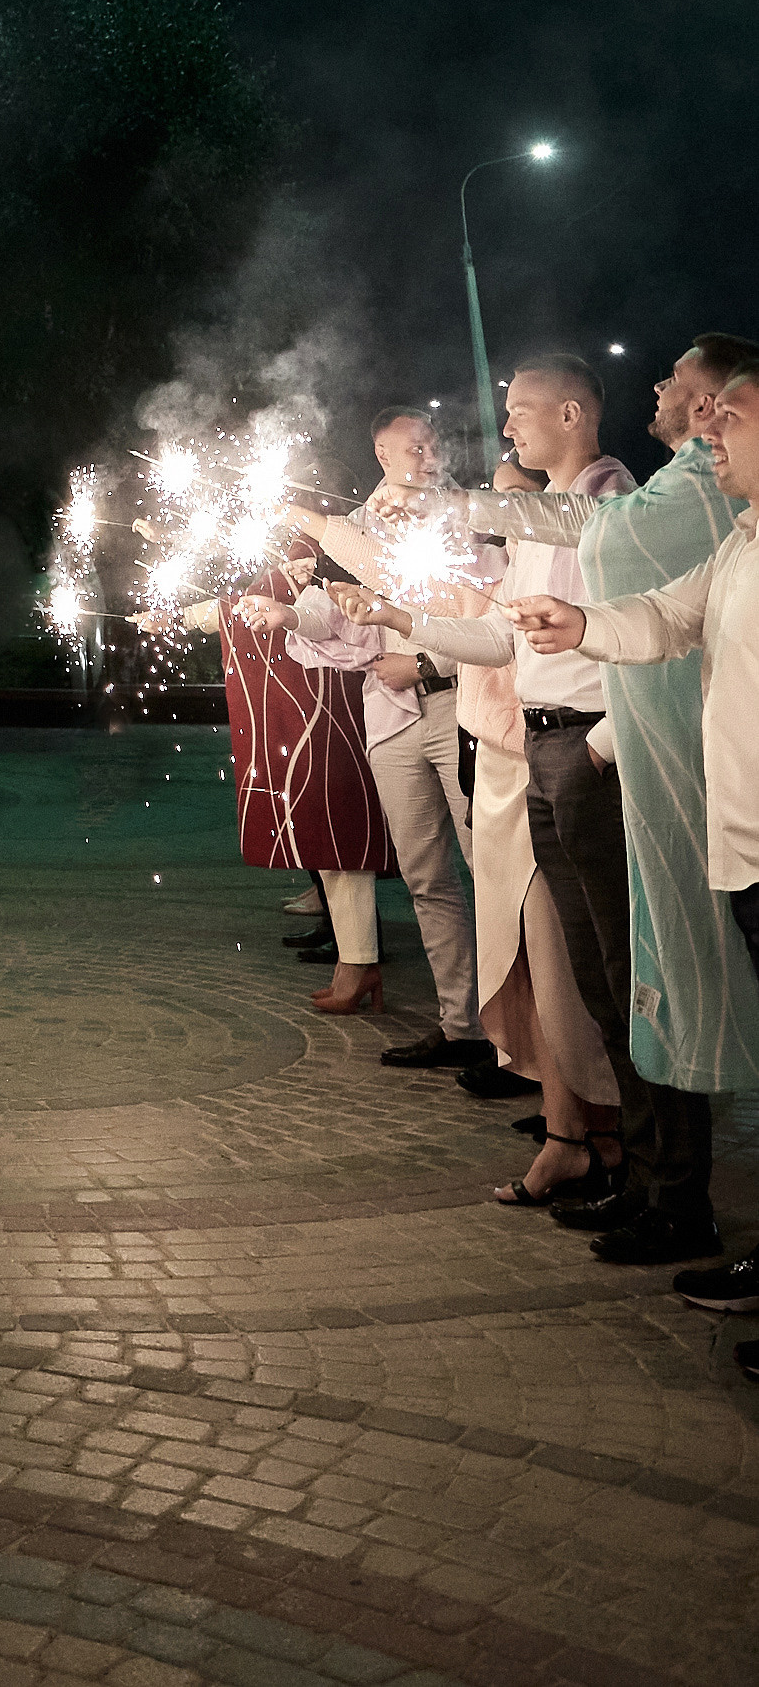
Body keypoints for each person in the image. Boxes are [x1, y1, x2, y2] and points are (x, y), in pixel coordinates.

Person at [466, 334, 759, 1266]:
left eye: (716, 406)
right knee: (617, 979)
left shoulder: (636, 498)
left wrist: (596, 737)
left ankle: (675, 1195)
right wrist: (583, 623)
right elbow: (669, 613)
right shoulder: (737, 534)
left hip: (623, 765)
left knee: (647, 973)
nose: (682, 403)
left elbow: (606, 536)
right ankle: (650, 1183)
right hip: (712, 809)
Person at [338, 360, 635, 1212]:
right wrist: (398, 618)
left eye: (518, 413)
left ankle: (617, 1146)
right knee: (555, 955)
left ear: (571, 413)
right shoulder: (544, 516)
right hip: (539, 750)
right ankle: (578, 1134)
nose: (504, 429)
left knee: (594, 962)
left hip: (575, 752)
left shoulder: (607, 497)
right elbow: (501, 642)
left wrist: (455, 505)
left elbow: (579, 531)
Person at [290, 408, 481, 1064]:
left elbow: (494, 626)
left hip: (459, 708)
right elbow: (327, 613)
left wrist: (422, 663)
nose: (429, 458)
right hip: (391, 719)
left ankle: (521, 1036)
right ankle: (462, 1027)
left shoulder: (464, 518)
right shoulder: (359, 528)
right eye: (416, 448)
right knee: (427, 880)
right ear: (381, 452)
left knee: (492, 871)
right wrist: (284, 611)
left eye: (434, 446)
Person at [181, 543, 395, 1013]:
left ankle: (360, 962)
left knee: (339, 838)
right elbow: (244, 606)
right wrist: (181, 617)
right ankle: (356, 958)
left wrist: (288, 614)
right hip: (297, 709)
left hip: (321, 706)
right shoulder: (277, 544)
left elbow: (321, 614)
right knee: (326, 842)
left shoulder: (309, 546)